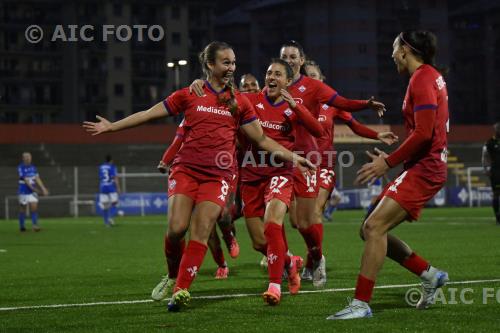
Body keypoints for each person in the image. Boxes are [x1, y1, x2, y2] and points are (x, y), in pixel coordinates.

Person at [83, 41, 314, 312]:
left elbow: (261, 139)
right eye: (226, 62)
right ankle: (172, 275)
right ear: (210, 65)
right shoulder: (189, 93)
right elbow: (149, 113)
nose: (231, 68)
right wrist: (112, 127)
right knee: (176, 229)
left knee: (202, 230)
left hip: (219, 175)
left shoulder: (239, 101)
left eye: (233, 62)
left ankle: (181, 290)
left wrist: (292, 155)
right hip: (186, 170)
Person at [328, 30, 450, 320]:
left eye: (395, 49)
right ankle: (429, 274)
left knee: (373, 229)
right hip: (423, 166)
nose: (392, 54)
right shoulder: (428, 76)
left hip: (426, 167)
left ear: (406, 49)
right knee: (368, 229)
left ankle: (360, 304)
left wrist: (388, 163)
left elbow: (423, 133)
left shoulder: (421, 79)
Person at [279, 42, 389, 289]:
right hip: (293, 161)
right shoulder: (283, 91)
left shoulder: (329, 104)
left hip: (323, 163)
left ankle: (316, 261)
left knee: (315, 214)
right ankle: (310, 260)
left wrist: (376, 134)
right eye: (310, 76)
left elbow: (354, 123)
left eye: (315, 77)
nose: (311, 80)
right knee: (298, 222)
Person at [239, 58, 323, 305]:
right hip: (251, 175)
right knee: (258, 243)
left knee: (272, 223)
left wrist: (296, 107)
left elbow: (318, 131)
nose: (272, 77)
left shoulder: (292, 108)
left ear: (288, 81)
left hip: (281, 173)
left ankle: (275, 286)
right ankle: (290, 262)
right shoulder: (251, 101)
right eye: (268, 72)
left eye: (278, 74)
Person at [155, 121, 237, 282]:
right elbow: (178, 139)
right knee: (184, 229)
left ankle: (227, 245)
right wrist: (166, 159)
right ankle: (177, 274)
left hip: (217, 172)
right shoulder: (191, 114)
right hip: (188, 173)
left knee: (218, 221)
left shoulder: (230, 110)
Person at [17, 152, 49, 232]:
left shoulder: (33, 168)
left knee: (34, 208)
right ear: (23, 158)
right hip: (23, 191)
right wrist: (34, 189)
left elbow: (37, 178)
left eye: (29, 157)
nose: (28, 158)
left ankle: (35, 226)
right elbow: (26, 180)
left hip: (32, 192)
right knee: (23, 209)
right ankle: (22, 227)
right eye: (26, 157)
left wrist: (43, 188)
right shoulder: (21, 167)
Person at [482, 122, 500, 224]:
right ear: (495, 130)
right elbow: (485, 156)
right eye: (498, 129)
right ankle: (497, 217)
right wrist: (486, 168)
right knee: (496, 194)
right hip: (496, 172)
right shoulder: (489, 143)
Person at [98, 155, 120, 227]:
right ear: (111, 160)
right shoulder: (112, 167)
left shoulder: (101, 167)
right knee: (115, 202)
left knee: (105, 206)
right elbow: (115, 178)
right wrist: (118, 188)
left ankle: (106, 223)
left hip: (103, 187)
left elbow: (100, 178)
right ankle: (110, 217)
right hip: (110, 186)